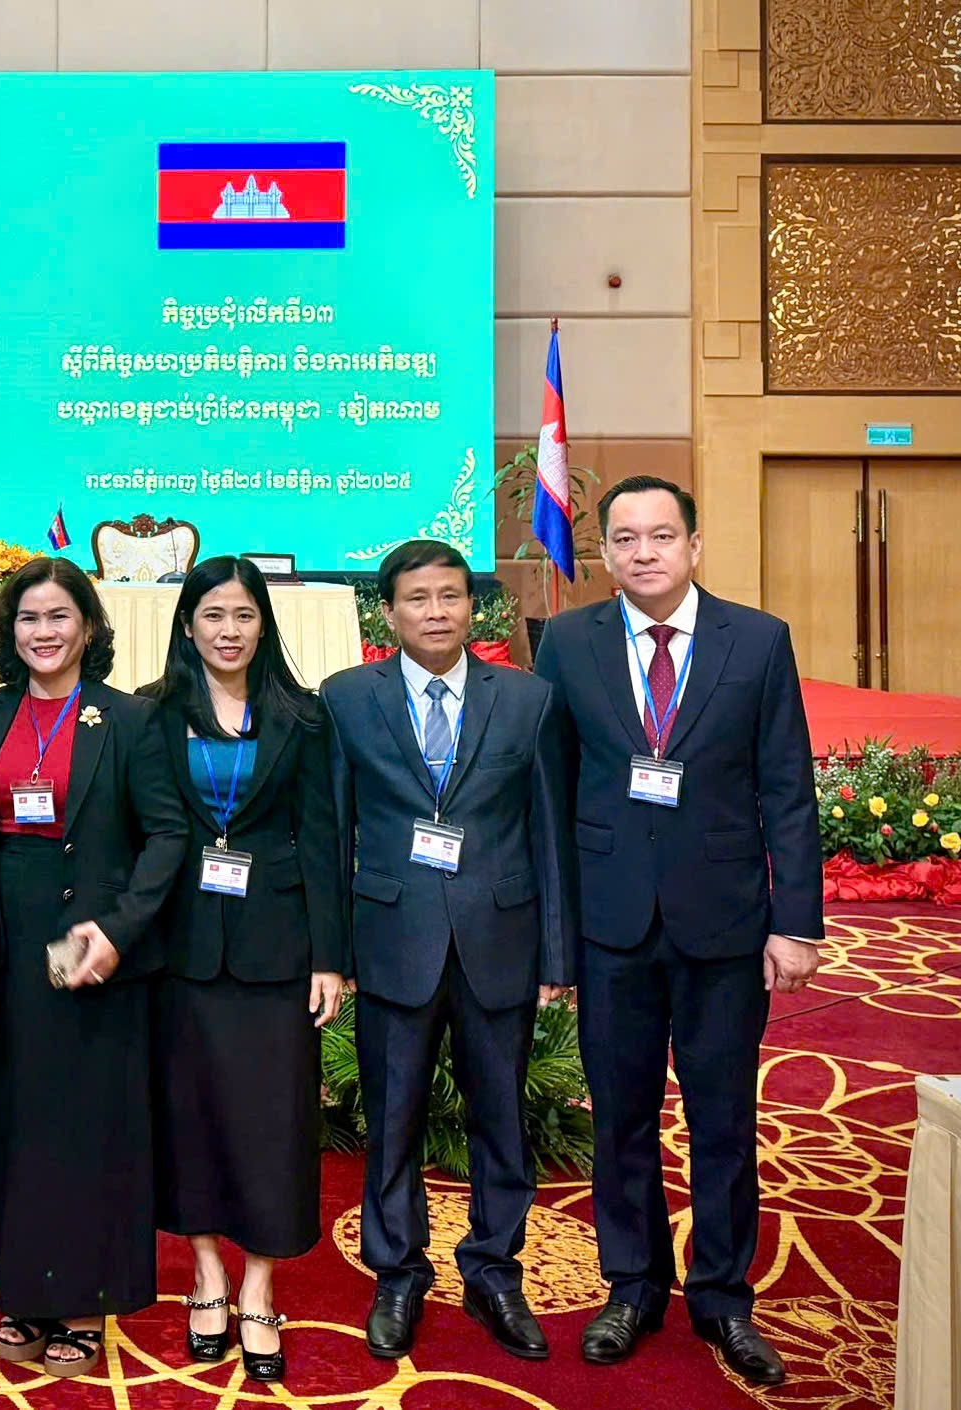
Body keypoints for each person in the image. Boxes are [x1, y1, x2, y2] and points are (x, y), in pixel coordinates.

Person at [533, 475, 823, 1387]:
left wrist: (796, 922)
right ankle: (632, 1287)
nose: (644, 552)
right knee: (620, 1117)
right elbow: (549, 791)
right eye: (625, 539)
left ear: (694, 546)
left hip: (725, 923)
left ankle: (724, 1298)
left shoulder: (758, 640)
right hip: (611, 922)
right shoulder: (568, 643)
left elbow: (788, 787)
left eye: (662, 535)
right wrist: (555, 932)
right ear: (604, 554)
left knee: (723, 1119)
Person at [320, 540, 577, 1364]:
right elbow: (333, 830)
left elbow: (548, 830)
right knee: (392, 1118)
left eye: (450, 596)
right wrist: (334, 951)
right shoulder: (347, 698)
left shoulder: (528, 699)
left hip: (500, 939)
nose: (436, 612)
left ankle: (494, 1271)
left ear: (474, 607)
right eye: (417, 598)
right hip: (392, 939)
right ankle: (398, 1272)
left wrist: (557, 957)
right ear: (388, 613)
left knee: (499, 1119)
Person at [0, 557, 188, 1379]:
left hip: (94, 947)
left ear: (88, 627)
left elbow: (168, 834)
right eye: (28, 617)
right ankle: (24, 1290)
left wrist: (121, 929)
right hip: (8, 946)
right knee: (16, 1121)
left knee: (90, 1126)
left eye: (60, 615)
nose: (44, 631)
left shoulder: (127, 718)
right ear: (9, 631)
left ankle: (87, 1299)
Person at [140, 555, 348, 1384]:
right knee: (188, 1116)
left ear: (264, 623)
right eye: (213, 615)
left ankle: (260, 1284)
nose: (229, 631)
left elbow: (324, 838)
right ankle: (207, 1273)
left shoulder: (304, 717)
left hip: (277, 947)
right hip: (181, 949)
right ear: (188, 624)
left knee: (273, 1121)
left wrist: (330, 956)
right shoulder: (152, 713)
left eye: (244, 614)